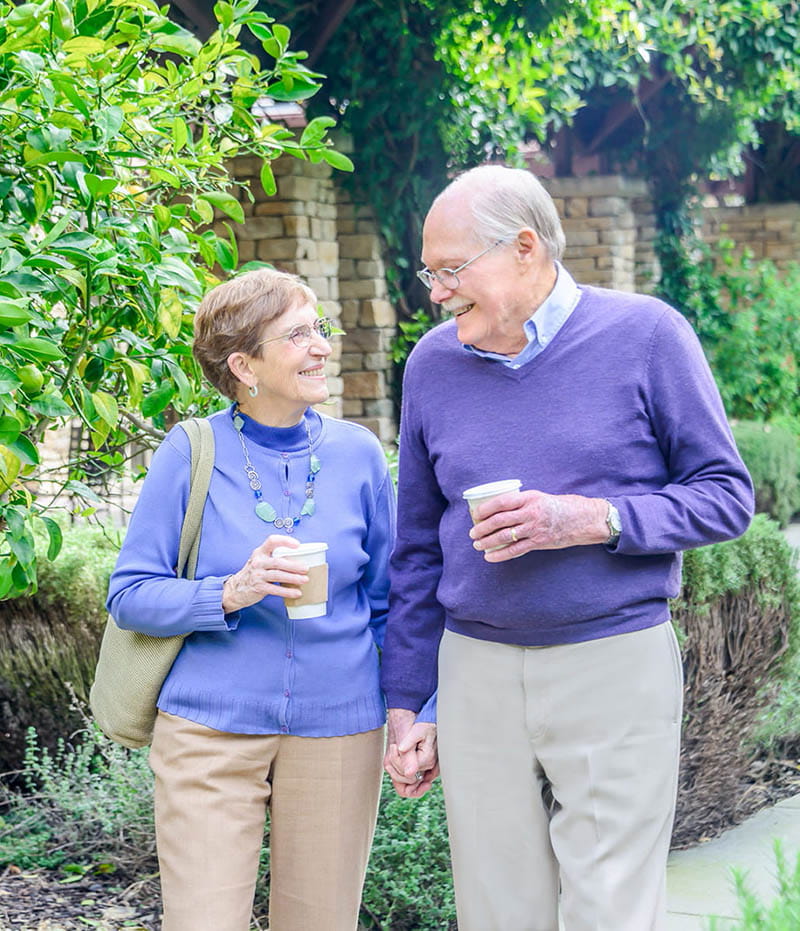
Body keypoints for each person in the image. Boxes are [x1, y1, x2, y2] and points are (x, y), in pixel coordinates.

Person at [380, 165, 754, 931]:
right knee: (494, 910)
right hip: (475, 669)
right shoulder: (431, 365)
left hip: (612, 660)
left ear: (524, 248)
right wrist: (408, 701)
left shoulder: (647, 336)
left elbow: (727, 495)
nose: (437, 292)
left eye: (452, 270)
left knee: (609, 907)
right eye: (431, 272)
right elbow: (416, 548)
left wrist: (592, 520)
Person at [107, 267, 430, 931]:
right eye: (298, 334)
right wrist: (231, 591)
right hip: (209, 730)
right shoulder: (190, 450)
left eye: (321, 329)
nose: (322, 346)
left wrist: (410, 709)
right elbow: (131, 593)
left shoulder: (359, 454)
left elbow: (389, 603)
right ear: (243, 364)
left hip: (340, 725)